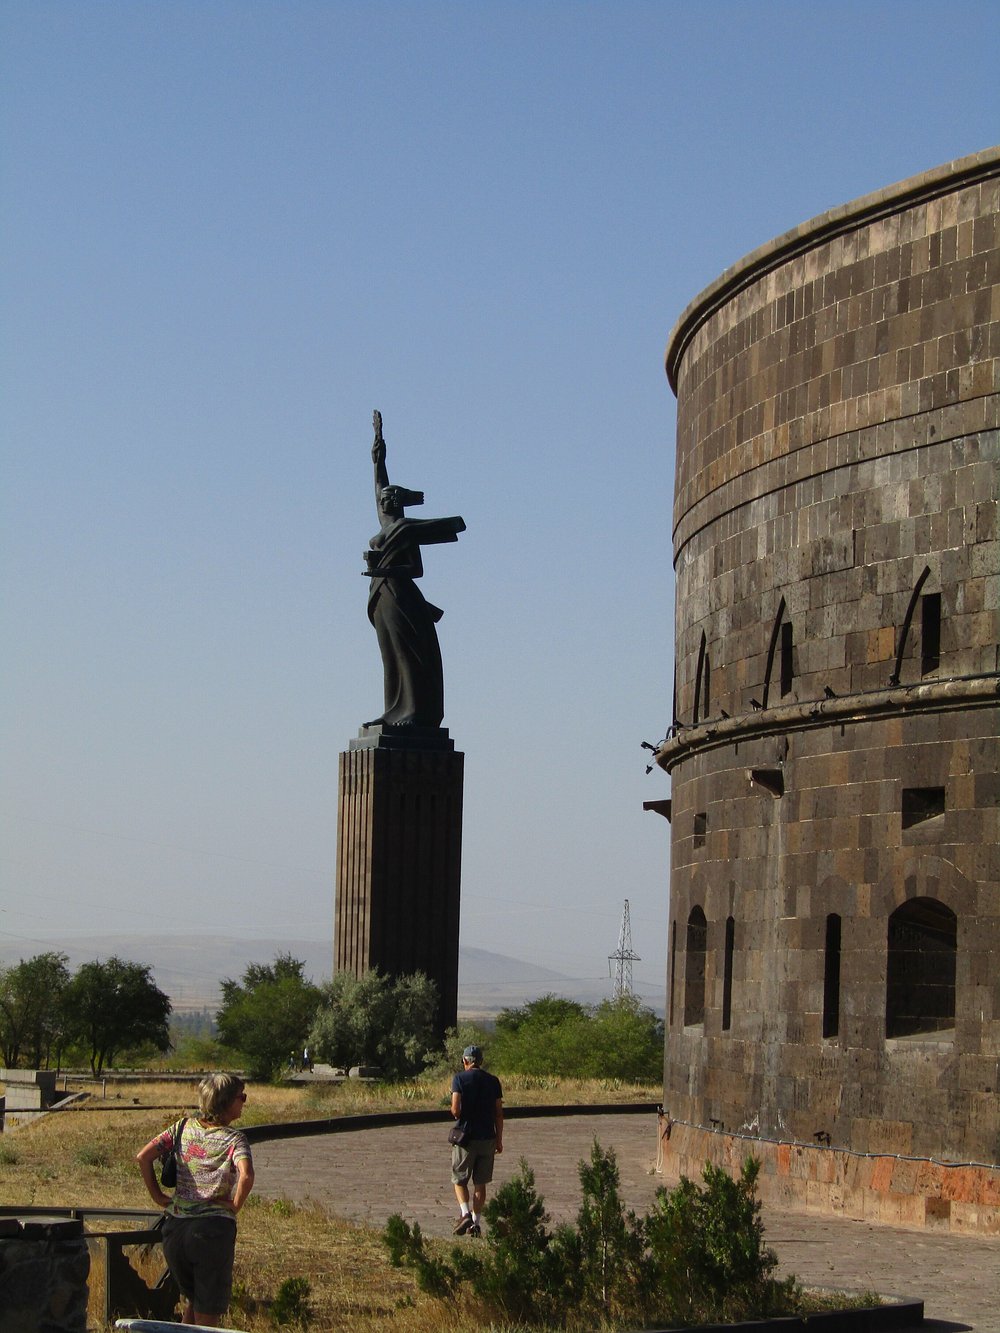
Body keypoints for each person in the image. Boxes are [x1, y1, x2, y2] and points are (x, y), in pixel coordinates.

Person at [363, 410, 465, 729]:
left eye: (387, 498)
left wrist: (382, 571)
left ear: (396, 502)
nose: (381, 500)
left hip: (401, 595)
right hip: (381, 597)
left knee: (408, 654)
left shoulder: (404, 528)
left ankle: (415, 711)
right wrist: (378, 459)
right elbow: (377, 485)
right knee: (390, 655)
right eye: (381, 498)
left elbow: (415, 570)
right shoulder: (387, 524)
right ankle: (393, 709)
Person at [136, 1072, 255, 1327]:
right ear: (226, 1101)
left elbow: (143, 1157)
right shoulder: (235, 1139)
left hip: (175, 1230)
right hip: (211, 1231)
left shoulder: (181, 1127)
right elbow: (246, 1175)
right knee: (207, 1314)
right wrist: (234, 1205)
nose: (244, 1101)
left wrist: (159, 1197)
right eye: (241, 1097)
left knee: (193, 1300)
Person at [450, 1043, 503, 1237]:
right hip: (488, 1137)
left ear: (465, 1061)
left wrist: (461, 1115)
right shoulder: (493, 1081)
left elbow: (455, 1109)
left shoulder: (459, 1079)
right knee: (480, 1183)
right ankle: (476, 1224)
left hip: (466, 1137)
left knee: (459, 1179)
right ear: (480, 1062)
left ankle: (465, 1214)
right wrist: (499, 1139)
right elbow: (499, 1113)